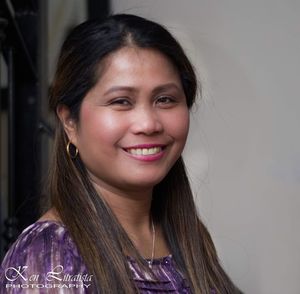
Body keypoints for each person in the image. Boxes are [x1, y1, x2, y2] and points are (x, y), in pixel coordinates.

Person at [0, 14, 242, 293]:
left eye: (165, 99)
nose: (149, 124)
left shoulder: (191, 237)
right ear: (69, 122)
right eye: (121, 101)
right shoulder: (47, 257)